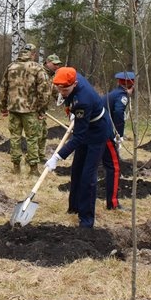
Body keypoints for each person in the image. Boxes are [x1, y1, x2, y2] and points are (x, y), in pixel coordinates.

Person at [44, 67, 110, 228]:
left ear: (75, 83)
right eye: (59, 88)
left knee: (88, 176)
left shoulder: (83, 100)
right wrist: (71, 110)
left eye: (65, 89)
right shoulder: (70, 77)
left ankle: (86, 220)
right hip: (85, 125)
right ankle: (74, 207)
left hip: (97, 133)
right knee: (77, 170)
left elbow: (79, 136)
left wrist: (57, 156)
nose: (62, 92)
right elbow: (68, 96)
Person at [0, 43, 50, 176]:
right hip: (30, 110)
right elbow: (44, 91)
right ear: (33, 54)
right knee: (32, 138)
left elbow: (3, 89)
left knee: (15, 137)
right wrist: (42, 110)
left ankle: (16, 167)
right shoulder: (37, 68)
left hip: (14, 109)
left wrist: (3, 107)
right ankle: (33, 169)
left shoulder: (11, 67)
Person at [102, 71, 134, 211]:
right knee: (114, 167)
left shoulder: (113, 93)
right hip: (105, 134)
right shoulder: (122, 96)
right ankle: (113, 204)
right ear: (131, 83)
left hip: (97, 131)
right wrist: (118, 135)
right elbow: (118, 113)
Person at [37, 53, 63, 161]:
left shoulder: (50, 77)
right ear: (47, 63)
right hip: (35, 110)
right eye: (54, 64)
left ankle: (40, 156)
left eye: (58, 64)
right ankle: (32, 158)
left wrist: (63, 100)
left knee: (43, 133)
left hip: (42, 111)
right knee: (36, 135)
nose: (57, 66)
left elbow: (54, 91)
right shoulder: (39, 73)